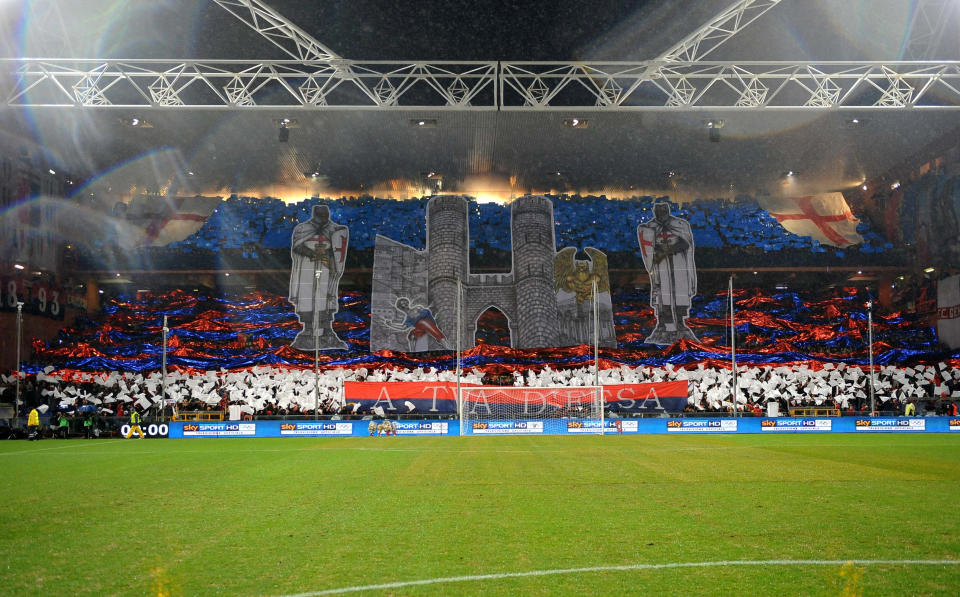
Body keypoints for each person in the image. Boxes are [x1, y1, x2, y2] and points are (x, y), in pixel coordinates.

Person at [637, 200, 698, 345]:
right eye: (658, 212)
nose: (661, 214)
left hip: (678, 262)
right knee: (663, 292)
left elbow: (686, 243)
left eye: (663, 211)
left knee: (680, 291)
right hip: (661, 264)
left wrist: (671, 249)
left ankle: (680, 321)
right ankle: (665, 322)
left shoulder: (680, 225)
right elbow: (649, 248)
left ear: (668, 211)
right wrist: (659, 252)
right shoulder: (650, 227)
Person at [288, 205, 349, 350]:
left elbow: (338, 249)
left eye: (325, 215)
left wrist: (327, 255)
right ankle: (309, 330)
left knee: (326, 297)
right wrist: (312, 253)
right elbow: (296, 246)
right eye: (320, 215)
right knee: (306, 297)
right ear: (314, 214)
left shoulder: (335, 229)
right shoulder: (302, 229)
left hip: (326, 266)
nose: (323, 218)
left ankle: (327, 330)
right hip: (307, 267)